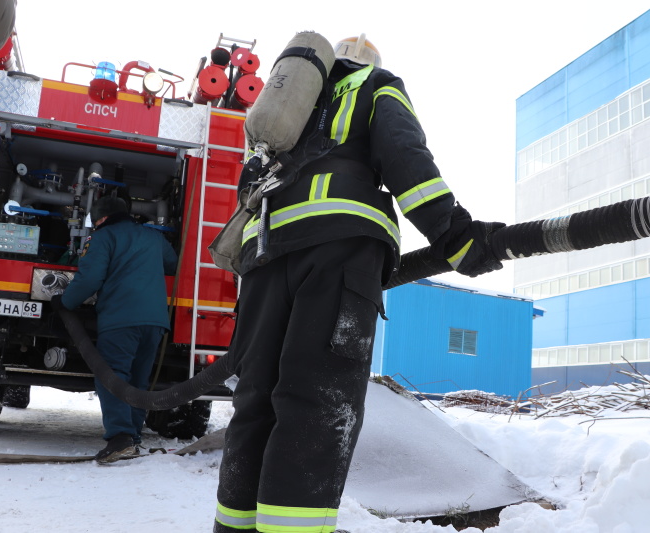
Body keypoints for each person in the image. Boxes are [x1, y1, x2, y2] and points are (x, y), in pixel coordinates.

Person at [213, 33, 504, 532]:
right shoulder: (375, 84)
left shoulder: (286, 110)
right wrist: (456, 238)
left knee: (256, 401)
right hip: (339, 251)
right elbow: (407, 159)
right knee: (317, 402)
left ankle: (234, 528)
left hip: (264, 259)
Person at [51, 196, 178, 464]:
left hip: (121, 318)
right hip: (155, 322)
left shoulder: (103, 237)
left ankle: (120, 438)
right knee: (138, 379)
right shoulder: (153, 237)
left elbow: (91, 277)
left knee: (113, 375)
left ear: (101, 218)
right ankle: (132, 437)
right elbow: (172, 263)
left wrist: (65, 302)